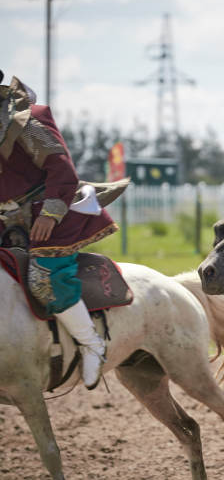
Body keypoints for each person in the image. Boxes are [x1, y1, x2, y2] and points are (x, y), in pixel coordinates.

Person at [0, 73, 117, 389]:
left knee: (45, 278)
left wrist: (51, 214)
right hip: (5, 221)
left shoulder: (26, 119)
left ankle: (91, 343)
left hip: (47, 214)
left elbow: (62, 169)